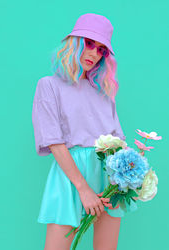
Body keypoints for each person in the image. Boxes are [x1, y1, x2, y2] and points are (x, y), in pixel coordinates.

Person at [31, 13, 138, 250]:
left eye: (101, 49)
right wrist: (83, 188)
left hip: (108, 175)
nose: (94, 53)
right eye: (89, 44)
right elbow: (54, 142)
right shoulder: (49, 85)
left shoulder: (103, 92)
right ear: (75, 42)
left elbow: (119, 141)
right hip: (71, 176)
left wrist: (131, 176)